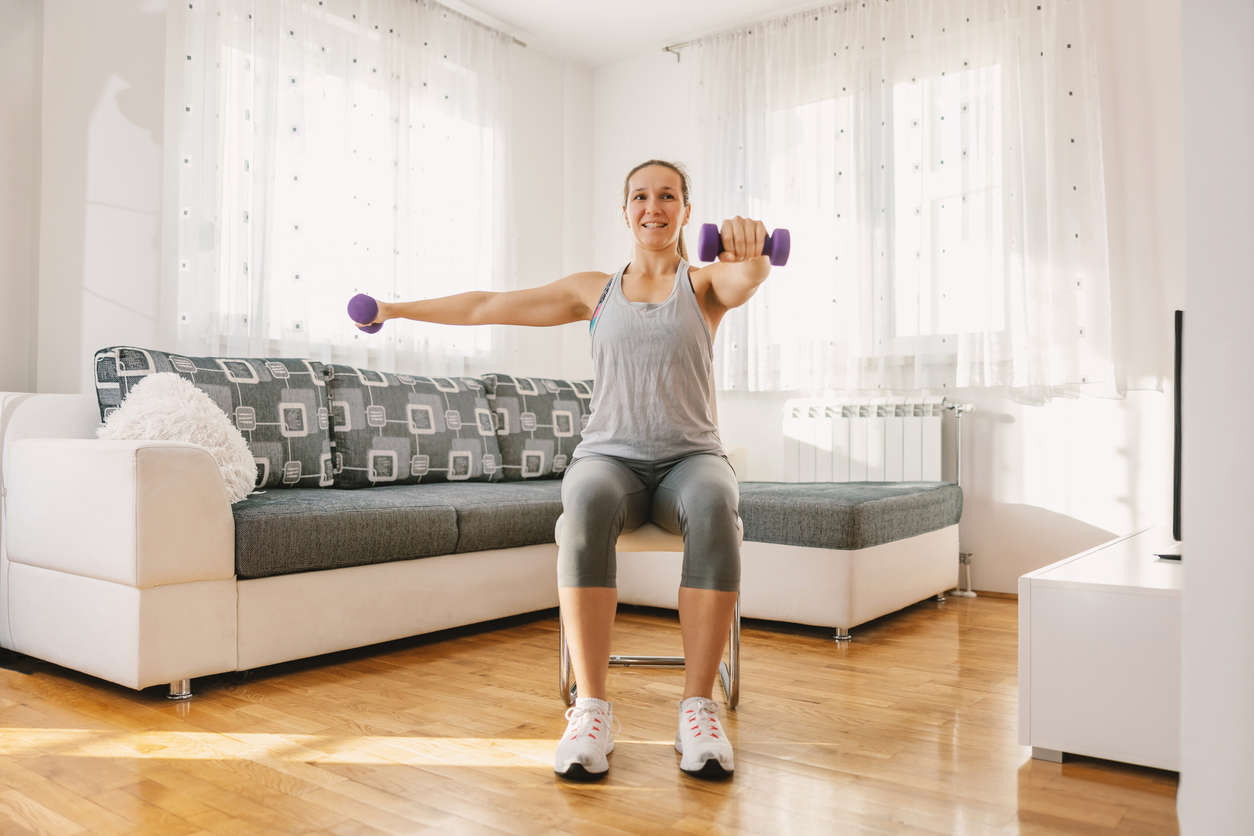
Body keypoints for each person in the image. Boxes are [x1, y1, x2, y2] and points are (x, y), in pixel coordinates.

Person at [355, 159, 772, 781]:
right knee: (583, 500)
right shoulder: (593, 290)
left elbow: (747, 277)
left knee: (716, 499)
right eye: (640, 196)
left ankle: (697, 708)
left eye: (667, 196)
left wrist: (752, 248)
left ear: (686, 210)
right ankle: (593, 709)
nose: (652, 207)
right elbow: (488, 306)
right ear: (623, 210)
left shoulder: (705, 284)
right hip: (610, 459)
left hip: (692, 460)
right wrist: (394, 308)